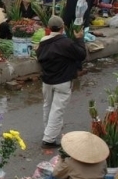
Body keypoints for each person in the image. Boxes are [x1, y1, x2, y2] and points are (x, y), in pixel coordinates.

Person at [36, 15, 86, 148]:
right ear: (62, 28)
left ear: (48, 28)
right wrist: (79, 39)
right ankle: (49, 139)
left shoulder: (42, 43)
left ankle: (48, 131)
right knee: (57, 110)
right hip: (62, 82)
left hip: (47, 81)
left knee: (48, 106)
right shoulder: (66, 43)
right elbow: (81, 54)